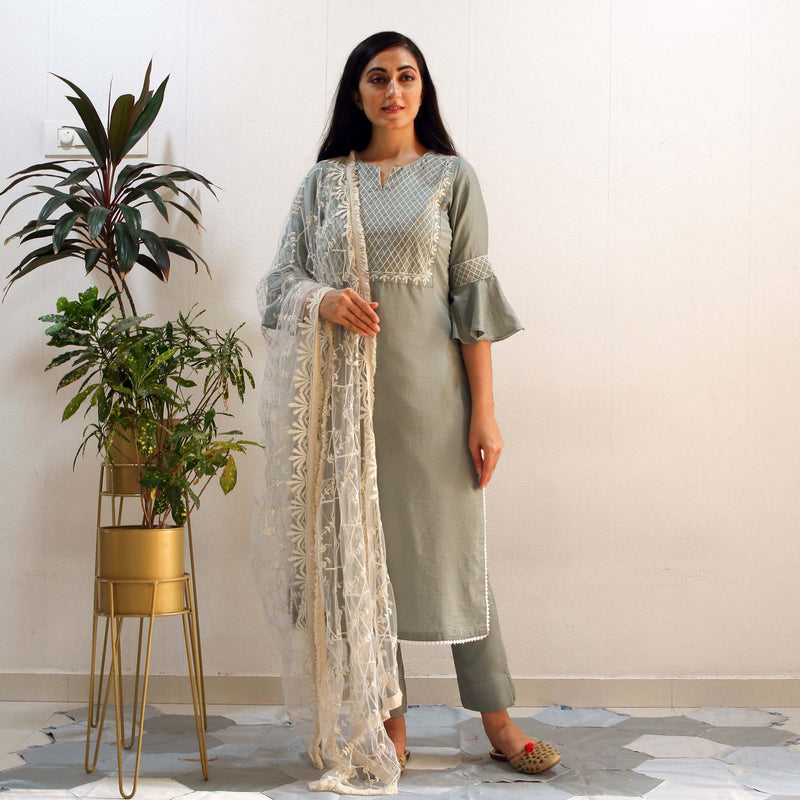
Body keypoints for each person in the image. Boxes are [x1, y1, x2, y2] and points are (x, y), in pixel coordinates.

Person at [253, 30, 561, 796]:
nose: (393, 91)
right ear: (356, 93)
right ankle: (389, 724)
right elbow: (278, 284)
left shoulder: (452, 177)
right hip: (346, 408)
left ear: (423, 89)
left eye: (406, 77)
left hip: (432, 404)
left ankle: (498, 722)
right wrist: (324, 298)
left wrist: (484, 414)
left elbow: (471, 301)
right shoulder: (325, 184)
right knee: (364, 558)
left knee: (458, 559)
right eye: (377, 78)